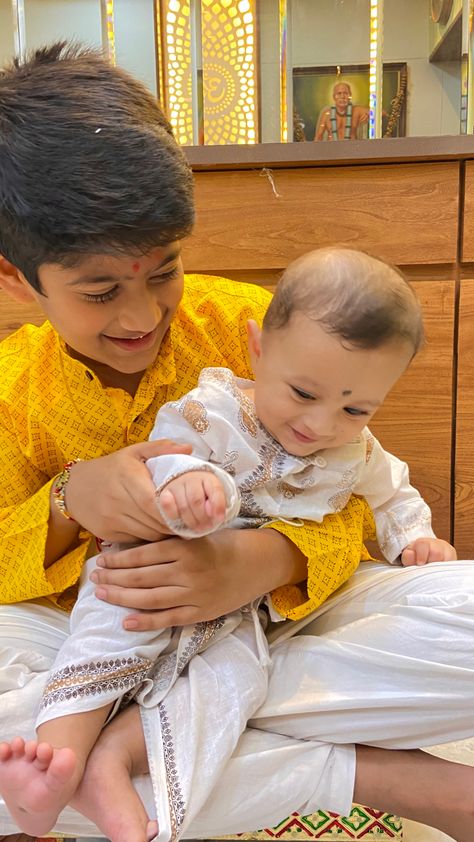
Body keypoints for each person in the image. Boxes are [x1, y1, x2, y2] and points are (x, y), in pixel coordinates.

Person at [1, 41, 474, 842]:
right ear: (16, 280)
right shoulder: (12, 387)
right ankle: (367, 772)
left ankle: (124, 747)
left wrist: (267, 562)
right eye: (101, 290)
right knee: (31, 732)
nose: (143, 315)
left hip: (272, 625)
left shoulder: (247, 328)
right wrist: (67, 502)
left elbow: (352, 485)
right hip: (90, 632)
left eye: (163, 272)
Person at [17, 247, 454, 842]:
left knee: (232, 684)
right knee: (101, 650)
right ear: (257, 350)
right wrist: (180, 495)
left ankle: (112, 764)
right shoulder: (214, 411)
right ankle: (55, 764)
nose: (322, 425)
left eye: (355, 409)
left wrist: (414, 540)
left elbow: (389, 496)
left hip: (247, 618)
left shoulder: (352, 442)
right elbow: (171, 461)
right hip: (136, 587)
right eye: (99, 291)